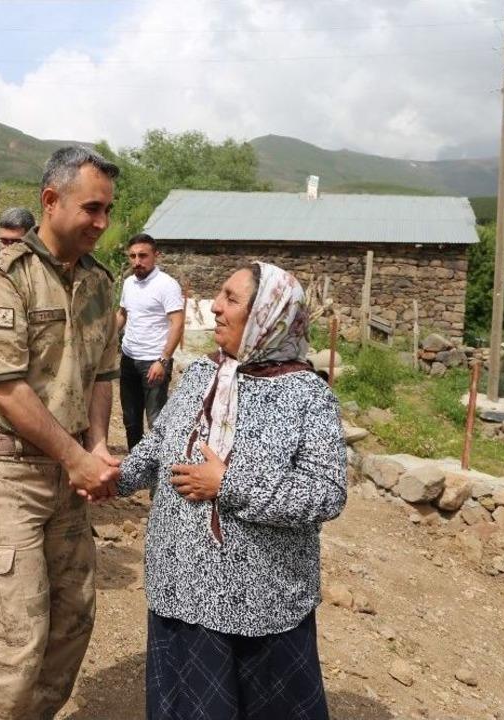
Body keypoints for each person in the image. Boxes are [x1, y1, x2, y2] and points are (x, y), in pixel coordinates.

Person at [117, 261, 348, 720]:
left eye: (231, 299)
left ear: (268, 315)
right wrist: (114, 477)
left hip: (259, 604)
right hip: (181, 588)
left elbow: (326, 493)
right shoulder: (204, 374)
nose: (216, 308)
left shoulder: (308, 396)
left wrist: (229, 484)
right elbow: (162, 442)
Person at [0, 146, 121, 719]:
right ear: (51, 201)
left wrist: (96, 444)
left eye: (108, 211)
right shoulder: (2, 279)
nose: (102, 223)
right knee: (13, 640)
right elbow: (5, 387)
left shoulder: (100, 283)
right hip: (4, 474)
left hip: (65, 474)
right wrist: (77, 456)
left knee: (73, 620)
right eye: (92, 208)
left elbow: (101, 372)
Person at [116, 233, 184, 449]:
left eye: (143, 256)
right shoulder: (128, 283)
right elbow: (122, 314)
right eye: (133, 256)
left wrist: (163, 360)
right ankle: (135, 465)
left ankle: (157, 470)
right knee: (130, 418)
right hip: (129, 358)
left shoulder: (167, 285)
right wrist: (104, 339)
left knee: (156, 420)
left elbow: (177, 323)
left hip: (154, 361)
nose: (137, 261)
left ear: (156, 255)